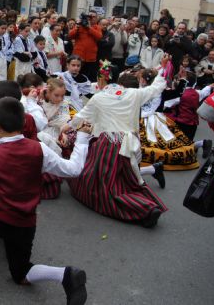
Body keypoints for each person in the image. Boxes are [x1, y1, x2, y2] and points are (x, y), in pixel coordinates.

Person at [0, 97, 90, 304]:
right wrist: (82, 139)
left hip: (2, 218)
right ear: (24, 123)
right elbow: (73, 169)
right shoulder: (39, 149)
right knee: (22, 274)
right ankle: (66, 274)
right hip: (27, 222)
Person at [67, 61, 170, 228]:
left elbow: (80, 118)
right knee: (126, 179)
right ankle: (147, 200)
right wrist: (162, 67)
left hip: (110, 144)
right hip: (131, 143)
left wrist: (66, 127)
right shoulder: (133, 94)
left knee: (105, 187)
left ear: (102, 78)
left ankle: (145, 209)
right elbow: (156, 87)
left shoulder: (100, 97)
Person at [139, 70, 209, 171]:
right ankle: (200, 143)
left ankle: (152, 166)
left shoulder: (152, 92)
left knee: (164, 142)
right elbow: (177, 93)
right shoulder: (148, 91)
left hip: (154, 121)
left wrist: (183, 79)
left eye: (141, 78)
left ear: (144, 80)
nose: (140, 80)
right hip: (150, 120)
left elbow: (177, 94)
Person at [69, 12, 102, 81]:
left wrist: (89, 27)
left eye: (93, 17)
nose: (91, 18)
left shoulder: (97, 27)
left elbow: (99, 37)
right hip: (78, 57)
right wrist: (77, 27)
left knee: (88, 78)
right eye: (89, 16)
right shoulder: (79, 26)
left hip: (90, 58)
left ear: (96, 18)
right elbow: (70, 35)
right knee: (75, 77)